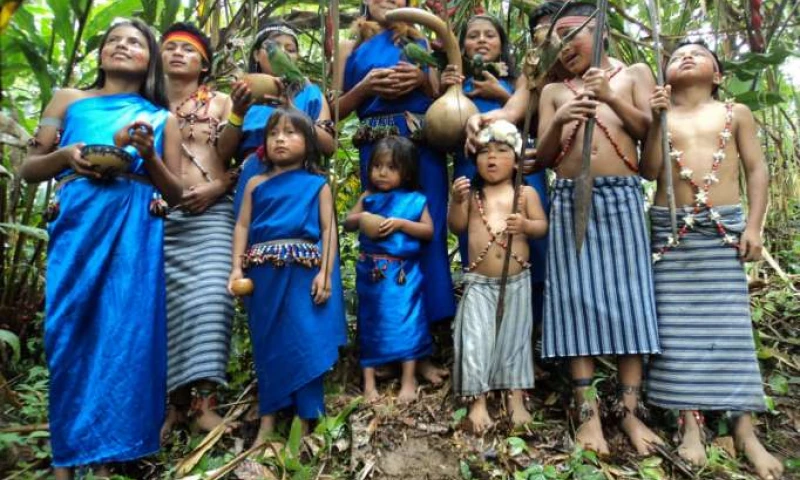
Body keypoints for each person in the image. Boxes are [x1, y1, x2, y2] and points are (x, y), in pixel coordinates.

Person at [19, 19, 182, 479]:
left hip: (134, 229)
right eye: (114, 41)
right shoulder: (69, 99)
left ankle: (107, 458)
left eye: (134, 42)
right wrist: (64, 157)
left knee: (123, 336)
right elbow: (30, 169)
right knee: (69, 332)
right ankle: (65, 460)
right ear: (100, 54)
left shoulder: (161, 118)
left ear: (150, 58)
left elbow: (177, 194)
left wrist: (148, 156)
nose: (122, 47)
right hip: (78, 223)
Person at [642, 40, 783, 480]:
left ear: (718, 76)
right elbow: (649, 171)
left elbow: (756, 169)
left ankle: (744, 427)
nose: (686, 55)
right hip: (672, 230)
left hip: (723, 229)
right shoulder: (662, 114)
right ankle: (690, 421)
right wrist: (654, 120)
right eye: (677, 54)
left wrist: (755, 227)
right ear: (664, 75)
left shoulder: (735, 113)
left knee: (731, 327)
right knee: (677, 325)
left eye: (698, 54)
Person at [535, 2, 662, 455]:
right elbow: (544, 156)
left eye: (573, 36)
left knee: (631, 298)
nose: (565, 48)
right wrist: (561, 121)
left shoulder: (634, 74)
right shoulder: (553, 90)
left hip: (623, 196)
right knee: (573, 299)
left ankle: (629, 411)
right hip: (570, 198)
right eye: (558, 41)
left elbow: (652, 130)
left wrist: (608, 96)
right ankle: (586, 410)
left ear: (602, 31)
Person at [335, 1, 456, 370]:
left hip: (421, 145)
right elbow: (335, 110)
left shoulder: (424, 33)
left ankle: (425, 346)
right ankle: (384, 342)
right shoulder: (349, 46)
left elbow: (447, 97)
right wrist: (366, 86)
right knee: (383, 238)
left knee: (426, 237)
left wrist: (421, 80)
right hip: (378, 149)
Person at [228, 109, 347, 445]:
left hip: (303, 274)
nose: (281, 139)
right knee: (267, 343)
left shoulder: (317, 185)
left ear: (309, 144)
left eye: (291, 133)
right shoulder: (254, 183)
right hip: (262, 276)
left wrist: (325, 274)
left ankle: (304, 419)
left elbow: (328, 230)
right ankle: (268, 421)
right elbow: (242, 226)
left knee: (305, 339)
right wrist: (236, 268)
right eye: (274, 133)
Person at [159, 22, 252, 437]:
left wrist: (217, 186)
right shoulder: (143, 102)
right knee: (162, 309)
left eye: (188, 50)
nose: (178, 54)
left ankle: (204, 404)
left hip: (210, 211)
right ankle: (173, 405)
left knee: (213, 299)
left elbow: (233, 155)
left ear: (204, 64)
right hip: (156, 215)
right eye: (170, 47)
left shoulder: (219, 102)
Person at [441, 14, 550, 326]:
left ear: (502, 44)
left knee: (531, 242)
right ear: (461, 45)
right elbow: (441, 125)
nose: (481, 40)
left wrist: (500, 95)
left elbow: (539, 120)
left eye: (490, 35)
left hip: (521, 169)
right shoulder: (456, 80)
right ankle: (485, 330)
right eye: (473, 35)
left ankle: (531, 332)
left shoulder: (520, 80)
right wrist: (448, 91)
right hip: (473, 166)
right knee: (478, 236)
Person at [448, 120, 547, 434]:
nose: (491, 158)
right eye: (484, 152)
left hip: (516, 281)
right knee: (476, 340)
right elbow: (457, 227)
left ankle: (514, 396)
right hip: (479, 282)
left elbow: (542, 226)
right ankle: (477, 401)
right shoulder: (474, 195)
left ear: (517, 161)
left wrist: (527, 227)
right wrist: (456, 200)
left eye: (502, 151)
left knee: (515, 339)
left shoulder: (526, 193)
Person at [345, 136, 434, 404]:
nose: (382, 172)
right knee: (370, 323)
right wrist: (360, 218)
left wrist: (401, 224)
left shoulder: (416, 200)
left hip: (403, 273)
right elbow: (348, 222)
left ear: (406, 172)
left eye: (391, 167)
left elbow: (428, 231)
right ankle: (369, 382)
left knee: (409, 321)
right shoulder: (368, 197)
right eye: (378, 166)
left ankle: (409, 379)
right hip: (372, 272)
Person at [233, 22, 335, 215]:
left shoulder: (311, 94)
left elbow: (329, 146)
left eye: (291, 49)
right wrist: (237, 112)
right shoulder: (243, 96)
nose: (283, 53)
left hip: (302, 184)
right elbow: (223, 153)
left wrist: (292, 111)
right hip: (253, 182)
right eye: (274, 46)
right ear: (256, 54)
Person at [464, 1, 569, 153]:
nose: (551, 37)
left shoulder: (600, 69)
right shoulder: (533, 75)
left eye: (557, 29)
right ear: (535, 41)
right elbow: (510, 113)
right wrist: (479, 119)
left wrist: (500, 93)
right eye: (542, 30)